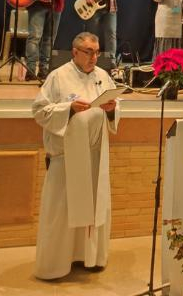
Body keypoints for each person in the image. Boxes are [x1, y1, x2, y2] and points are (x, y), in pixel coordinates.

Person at [32, 32, 120, 280]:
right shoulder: (58, 77)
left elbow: (114, 109)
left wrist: (112, 110)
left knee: (94, 208)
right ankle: (55, 265)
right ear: (74, 52)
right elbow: (39, 111)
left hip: (95, 157)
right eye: (88, 52)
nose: (94, 57)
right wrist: (68, 109)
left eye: (97, 52)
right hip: (66, 158)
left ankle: (90, 258)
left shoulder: (103, 77)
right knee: (61, 213)